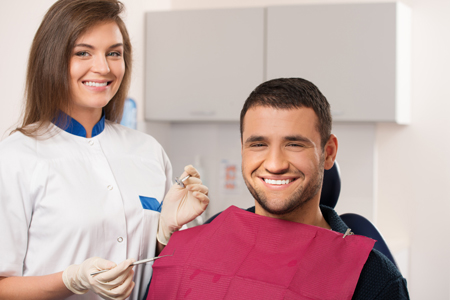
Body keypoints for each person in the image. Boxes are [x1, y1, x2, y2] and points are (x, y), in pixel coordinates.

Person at [0, 0, 209, 299]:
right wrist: (70, 279)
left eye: (114, 53)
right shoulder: (15, 158)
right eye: (83, 52)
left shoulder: (147, 151)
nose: (103, 67)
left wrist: (167, 234)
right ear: (52, 59)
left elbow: (163, 268)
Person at [146, 78, 410, 299]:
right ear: (242, 150)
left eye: (294, 144)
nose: (274, 165)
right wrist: (166, 240)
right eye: (258, 144)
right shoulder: (215, 232)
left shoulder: (374, 278)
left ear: (328, 153)